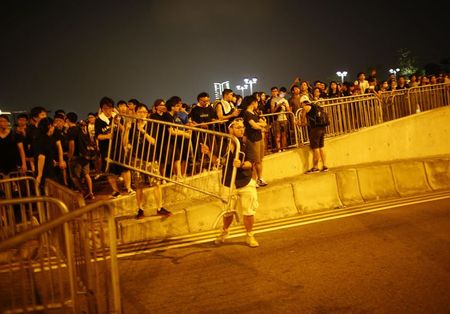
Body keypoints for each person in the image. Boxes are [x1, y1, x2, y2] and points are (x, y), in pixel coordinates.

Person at [201, 118, 260, 247]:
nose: (241, 129)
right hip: (228, 182)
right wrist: (208, 153)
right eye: (238, 127)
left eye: (242, 127)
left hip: (245, 181)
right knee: (227, 211)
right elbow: (218, 161)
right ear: (230, 129)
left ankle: (250, 235)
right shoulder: (223, 143)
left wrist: (242, 164)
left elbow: (252, 162)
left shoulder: (246, 143)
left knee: (248, 211)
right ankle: (225, 232)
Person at [125, 103, 172, 219]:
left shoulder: (152, 125)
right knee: (139, 186)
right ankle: (140, 209)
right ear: (136, 113)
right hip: (137, 159)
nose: (142, 114)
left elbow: (153, 141)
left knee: (156, 184)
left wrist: (142, 131)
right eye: (140, 112)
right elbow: (125, 143)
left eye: (145, 112)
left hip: (151, 158)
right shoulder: (132, 126)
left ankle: (160, 207)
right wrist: (126, 130)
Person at [241, 95, 268, 187]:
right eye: (257, 102)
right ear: (253, 103)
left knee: (259, 160)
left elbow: (264, 123)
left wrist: (259, 125)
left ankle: (260, 178)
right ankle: (252, 180)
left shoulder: (255, 113)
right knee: (253, 161)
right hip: (252, 139)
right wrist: (261, 126)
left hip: (259, 138)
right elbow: (254, 126)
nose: (257, 104)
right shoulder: (247, 113)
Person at [300, 96, 329, 173]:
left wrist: (297, 123)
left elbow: (303, 122)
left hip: (315, 129)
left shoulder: (305, 107)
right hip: (322, 128)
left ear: (302, 103)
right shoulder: (316, 106)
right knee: (321, 147)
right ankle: (325, 166)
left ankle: (315, 167)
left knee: (315, 148)